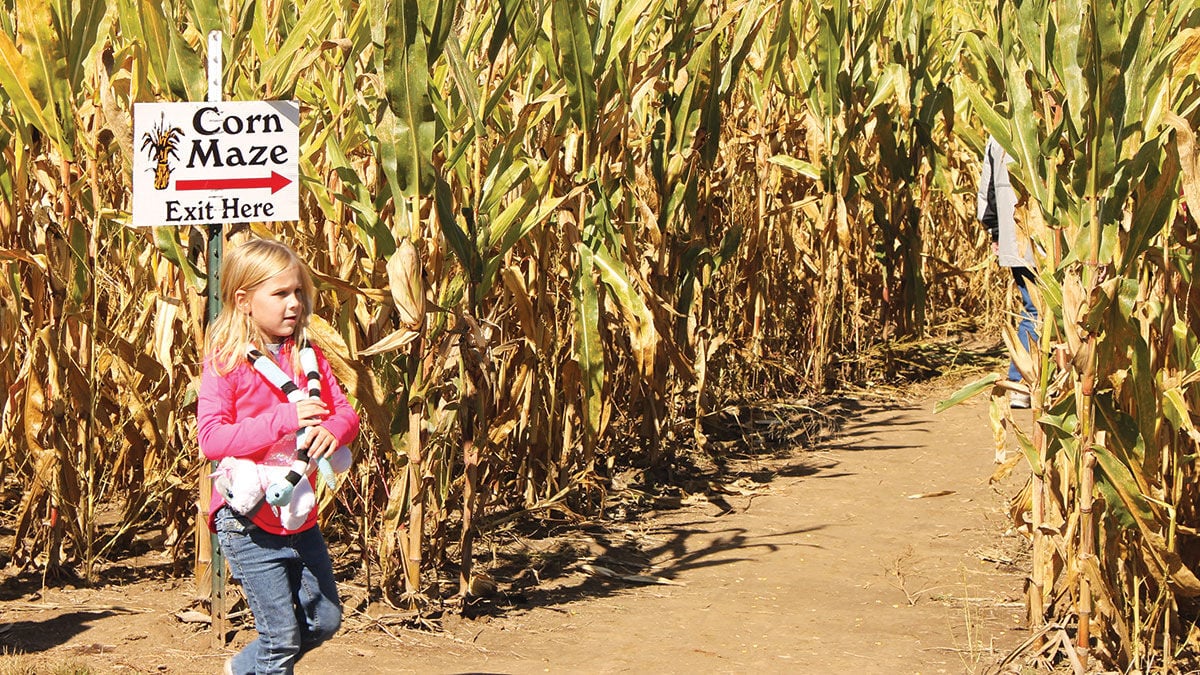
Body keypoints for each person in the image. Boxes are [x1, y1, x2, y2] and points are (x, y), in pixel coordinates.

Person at [198, 238, 360, 674]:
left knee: (325, 619)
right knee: (281, 639)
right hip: (247, 520)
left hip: (298, 516)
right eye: (281, 294)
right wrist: (285, 418)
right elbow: (212, 439)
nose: (294, 303)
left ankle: (242, 669)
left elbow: (345, 412)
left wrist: (332, 429)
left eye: (298, 292)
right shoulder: (227, 363)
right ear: (244, 301)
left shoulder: (306, 356)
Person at [977, 136, 1038, 409]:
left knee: (1033, 308)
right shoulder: (1055, 118)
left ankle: (1027, 382)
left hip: (1015, 238)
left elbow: (987, 193)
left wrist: (994, 230)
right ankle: (1024, 382)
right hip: (1043, 237)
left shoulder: (997, 134)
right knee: (1038, 309)